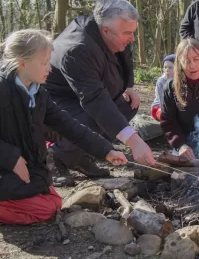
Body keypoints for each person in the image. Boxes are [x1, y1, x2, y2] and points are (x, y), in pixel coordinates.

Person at [0, 29, 127, 224]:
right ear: (22, 63)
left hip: (29, 167)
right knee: (45, 208)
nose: (49, 68)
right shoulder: (3, 90)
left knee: (54, 202)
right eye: (43, 63)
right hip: (6, 166)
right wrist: (11, 158)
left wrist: (106, 151)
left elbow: (69, 125)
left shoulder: (39, 94)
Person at [45, 0, 156, 185]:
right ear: (105, 30)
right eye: (128, 33)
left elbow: (126, 55)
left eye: (133, 32)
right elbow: (95, 100)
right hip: (59, 100)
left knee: (127, 106)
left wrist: (129, 86)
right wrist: (134, 142)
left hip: (87, 92)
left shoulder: (112, 31)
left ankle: (79, 153)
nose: (133, 38)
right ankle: (57, 156)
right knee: (93, 117)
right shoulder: (78, 49)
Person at [151, 54, 175, 121]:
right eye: (165, 67)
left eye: (170, 67)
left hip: (174, 108)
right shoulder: (161, 81)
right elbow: (162, 100)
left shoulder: (180, 80)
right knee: (165, 115)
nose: (167, 70)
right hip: (159, 107)